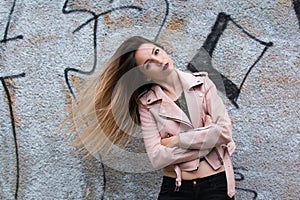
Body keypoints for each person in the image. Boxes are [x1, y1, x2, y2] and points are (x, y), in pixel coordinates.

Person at [65, 36, 236, 200]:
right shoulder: (146, 104)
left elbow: (225, 132)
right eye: (149, 64)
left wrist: (176, 140)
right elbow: (157, 157)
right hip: (176, 189)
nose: (160, 61)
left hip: (215, 185)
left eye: (156, 52)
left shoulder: (203, 84)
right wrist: (207, 141)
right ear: (145, 76)